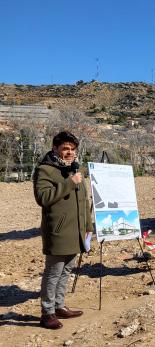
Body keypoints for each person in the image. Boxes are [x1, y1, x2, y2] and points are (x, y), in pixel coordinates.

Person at [33, 131, 92, 330]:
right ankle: (47, 312)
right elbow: (43, 198)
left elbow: (84, 201)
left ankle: (59, 306)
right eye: (65, 149)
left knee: (66, 269)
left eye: (72, 149)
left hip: (75, 231)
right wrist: (70, 182)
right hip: (57, 231)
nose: (69, 152)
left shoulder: (75, 169)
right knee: (54, 271)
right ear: (55, 149)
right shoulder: (45, 170)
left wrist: (88, 226)